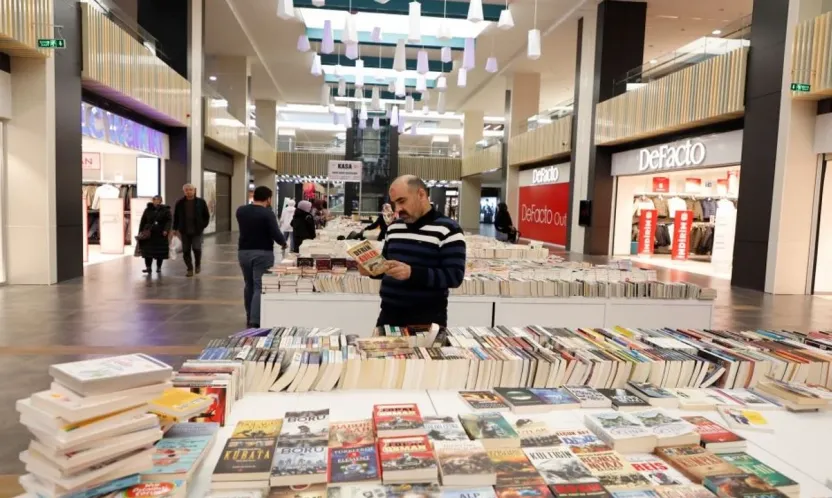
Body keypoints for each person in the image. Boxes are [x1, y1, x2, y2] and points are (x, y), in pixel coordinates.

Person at [360, 175, 466, 326]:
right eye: (395, 203)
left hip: (427, 319)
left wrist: (412, 273)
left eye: (402, 201)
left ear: (421, 194)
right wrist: (371, 270)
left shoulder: (449, 230)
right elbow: (386, 267)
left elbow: (454, 276)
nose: (397, 209)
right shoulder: (394, 228)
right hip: (388, 315)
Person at [236, 186, 288, 328]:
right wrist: (283, 243)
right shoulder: (267, 214)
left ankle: (249, 316)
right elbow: (275, 233)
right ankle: (255, 320)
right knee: (259, 285)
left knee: (249, 284)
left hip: (244, 252)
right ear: (268, 199)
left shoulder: (241, 211)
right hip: (262, 252)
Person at [172, 184, 211, 277]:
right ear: (184, 191)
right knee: (186, 251)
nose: (188, 191)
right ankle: (189, 269)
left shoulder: (201, 202)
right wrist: (175, 228)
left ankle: (198, 264)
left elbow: (206, 215)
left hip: (197, 230)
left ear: (194, 190)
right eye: (186, 190)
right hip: (184, 230)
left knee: (197, 248)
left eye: (190, 189)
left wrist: (203, 226)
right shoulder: (180, 203)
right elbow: (176, 216)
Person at [136, 195, 171, 274]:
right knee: (147, 252)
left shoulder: (165, 210)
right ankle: (148, 268)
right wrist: (140, 232)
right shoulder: (147, 210)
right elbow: (143, 221)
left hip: (160, 233)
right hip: (148, 233)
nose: (156, 201)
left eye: (158, 200)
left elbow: (169, 221)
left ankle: (159, 267)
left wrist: (166, 230)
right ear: (153, 200)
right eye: (155, 199)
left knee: (160, 252)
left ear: (161, 201)